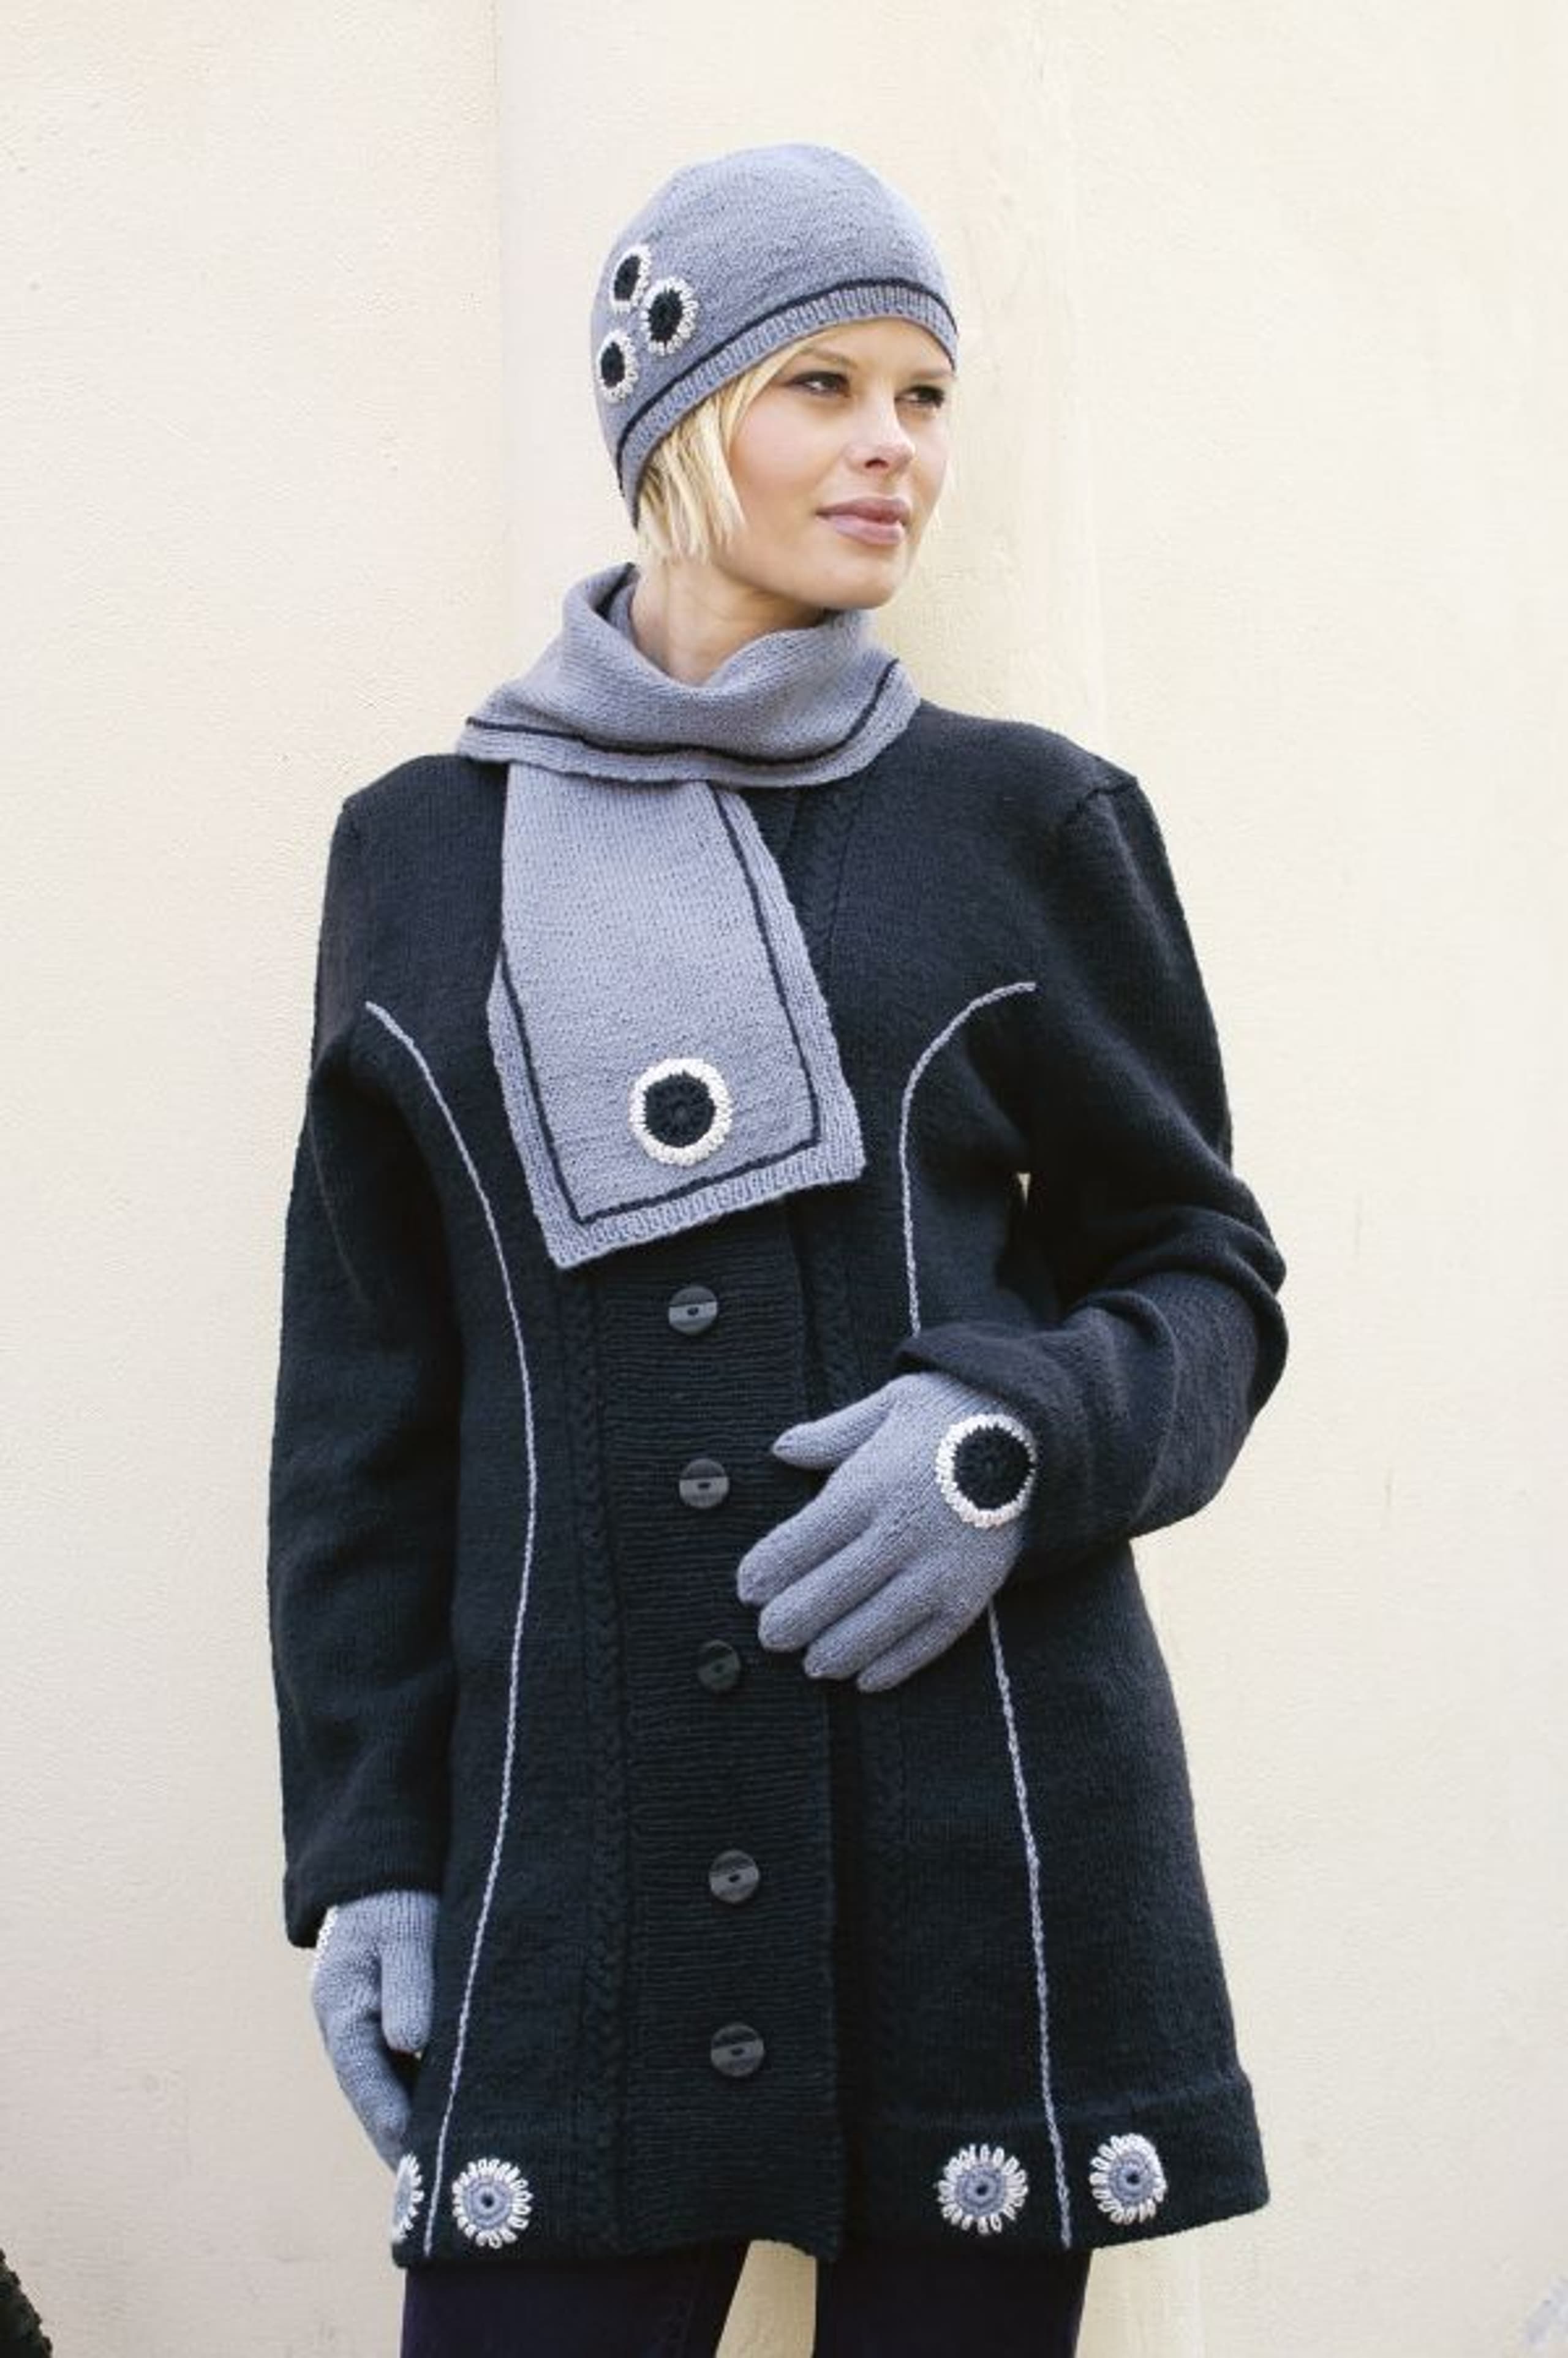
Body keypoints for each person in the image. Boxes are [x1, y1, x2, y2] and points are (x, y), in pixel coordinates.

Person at [266, 140, 1288, 2358]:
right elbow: (365, 1413)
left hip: (981, 1836)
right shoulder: (421, 857)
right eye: (823, 384)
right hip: (577, 1854)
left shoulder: (1026, 821)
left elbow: (1204, 1276)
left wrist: (1009, 1437)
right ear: (674, 418)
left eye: (926, 396)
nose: (892, 446)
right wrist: (370, 1851)